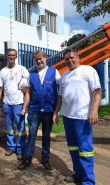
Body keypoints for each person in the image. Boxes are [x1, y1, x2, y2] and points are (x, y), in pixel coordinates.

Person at [53, 49, 102, 184]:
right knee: (73, 148)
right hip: (68, 117)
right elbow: (61, 96)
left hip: (83, 118)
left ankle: (88, 181)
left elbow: (97, 91)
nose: (70, 60)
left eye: (72, 58)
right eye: (67, 59)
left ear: (78, 57)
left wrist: (94, 111)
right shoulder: (64, 76)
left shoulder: (88, 70)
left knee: (85, 150)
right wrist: (56, 112)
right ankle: (79, 174)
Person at [18, 50, 61, 170]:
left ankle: (45, 158)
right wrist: (24, 108)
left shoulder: (54, 72)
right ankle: (28, 159)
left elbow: (61, 91)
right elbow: (28, 93)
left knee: (46, 135)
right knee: (31, 135)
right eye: (36, 59)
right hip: (35, 111)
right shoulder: (31, 74)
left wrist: (57, 111)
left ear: (45, 58)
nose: (39, 61)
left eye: (40, 58)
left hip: (49, 111)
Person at [0, 48, 29, 160]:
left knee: (20, 128)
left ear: (16, 57)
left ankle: (20, 149)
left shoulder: (22, 69)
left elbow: (28, 85)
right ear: (6, 56)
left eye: (13, 55)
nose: (11, 57)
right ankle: (11, 147)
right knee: (9, 127)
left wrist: (27, 102)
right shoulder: (3, 71)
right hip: (6, 103)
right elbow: (0, 89)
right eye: (9, 55)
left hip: (19, 103)